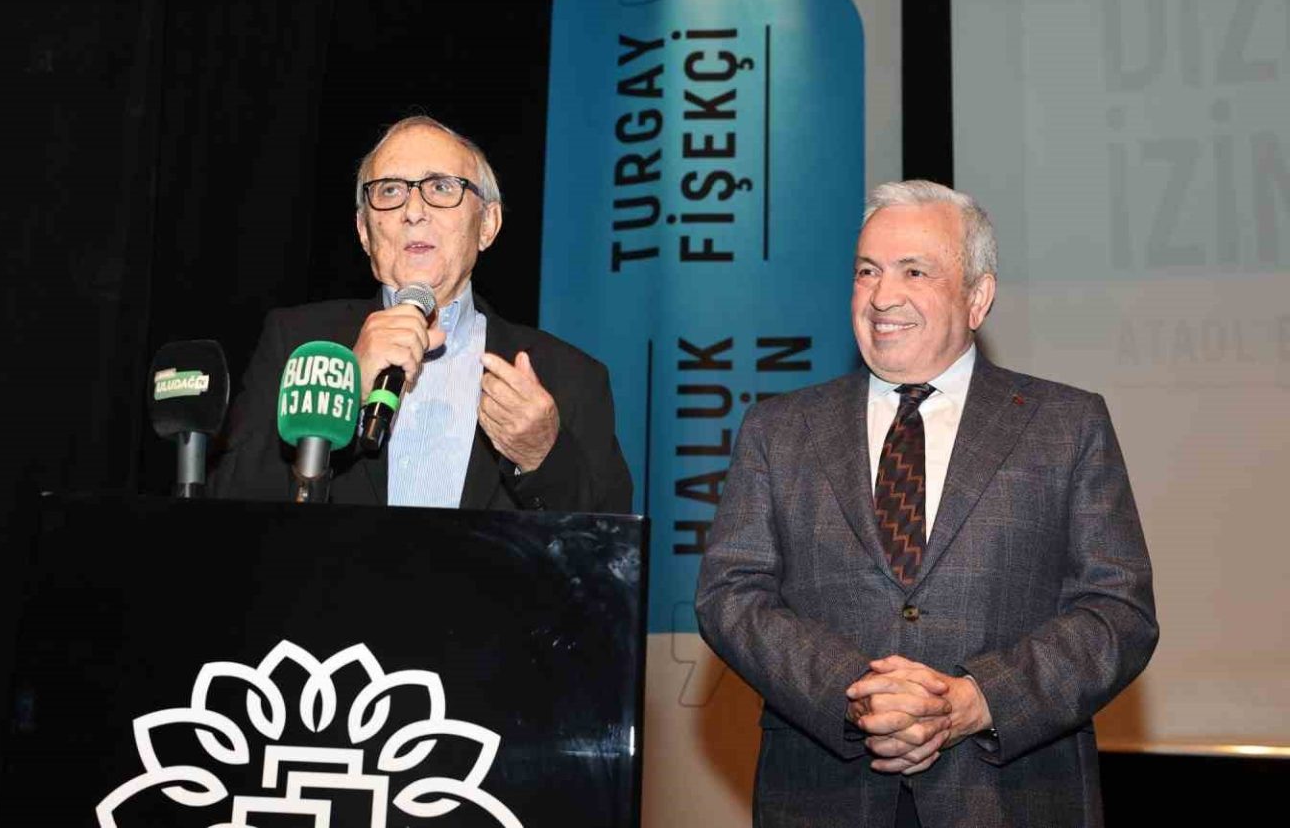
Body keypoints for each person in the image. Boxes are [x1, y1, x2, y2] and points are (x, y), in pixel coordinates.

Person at [695, 180, 1157, 827]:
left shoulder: (1067, 425)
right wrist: (856, 694)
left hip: (1014, 799)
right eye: (867, 271)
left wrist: (977, 699)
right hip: (822, 798)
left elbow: (1118, 611)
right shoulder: (778, 429)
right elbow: (730, 595)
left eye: (914, 271)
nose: (883, 296)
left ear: (978, 297)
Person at [210, 115, 633, 513]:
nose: (413, 211)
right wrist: (345, 393)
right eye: (390, 191)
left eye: (442, 187)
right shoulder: (297, 343)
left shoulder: (568, 377)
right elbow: (227, 511)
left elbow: (611, 551)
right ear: (364, 231)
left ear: (487, 224)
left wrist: (541, 457)